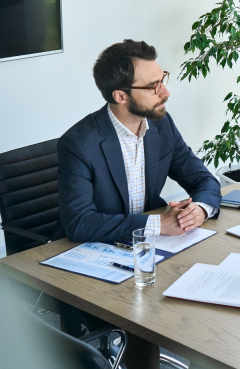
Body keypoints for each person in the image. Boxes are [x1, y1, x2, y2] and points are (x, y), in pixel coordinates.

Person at [56, 39, 221, 242]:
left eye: (163, 80)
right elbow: (79, 223)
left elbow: (202, 179)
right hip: (98, 250)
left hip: (153, 246)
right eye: (153, 86)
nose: (166, 92)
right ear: (120, 96)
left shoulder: (161, 125)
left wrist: (200, 211)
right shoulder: (78, 144)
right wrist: (158, 224)